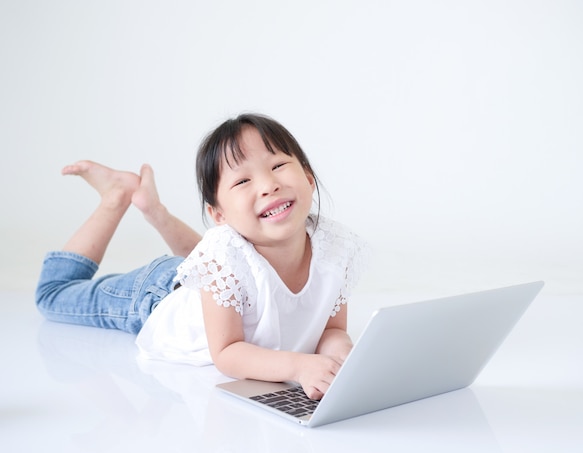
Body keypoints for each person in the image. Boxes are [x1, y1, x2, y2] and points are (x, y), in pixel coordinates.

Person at [36, 113, 366, 400]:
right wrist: (300, 366)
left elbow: (331, 331)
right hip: (158, 294)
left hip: (216, 281)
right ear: (218, 214)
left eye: (278, 165)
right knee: (53, 295)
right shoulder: (222, 255)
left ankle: (154, 210)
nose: (268, 185)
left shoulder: (332, 248)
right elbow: (226, 353)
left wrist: (341, 360)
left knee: (233, 263)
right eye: (243, 180)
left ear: (308, 178)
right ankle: (116, 196)